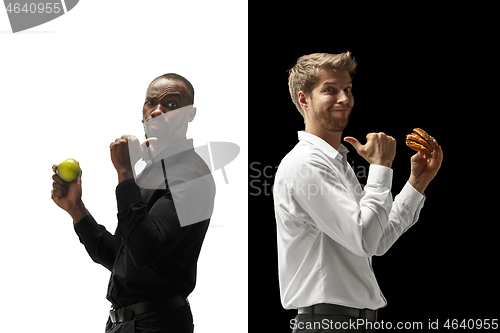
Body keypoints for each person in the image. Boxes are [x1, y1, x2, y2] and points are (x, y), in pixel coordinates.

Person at [273, 52, 443, 333]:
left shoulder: (336, 162)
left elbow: (376, 241)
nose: (345, 99)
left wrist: (416, 183)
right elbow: (365, 240)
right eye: (330, 89)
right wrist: (381, 166)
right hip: (328, 324)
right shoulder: (305, 164)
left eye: (348, 89)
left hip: (353, 323)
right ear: (304, 100)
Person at [51, 73, 215, 333]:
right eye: (151, 103)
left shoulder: (191, 175)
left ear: (190, 114)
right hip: (125, 324)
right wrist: (76, 209)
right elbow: (121, 257)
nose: (157, 111)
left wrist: (125, 172)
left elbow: (145, 249)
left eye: (172, 105)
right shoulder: (151, 172)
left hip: (158, 324)